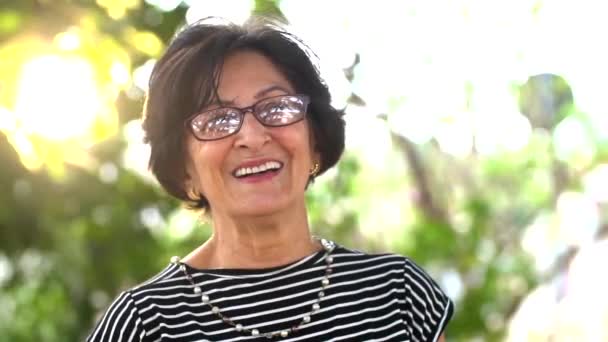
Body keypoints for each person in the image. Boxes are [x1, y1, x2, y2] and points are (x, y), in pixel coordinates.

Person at [87, 17, 453, 342]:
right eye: (217, 119)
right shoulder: (146, 323)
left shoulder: (396, 294)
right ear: (184, 168)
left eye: (277, 107)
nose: (252, 136)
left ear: (315, 140)